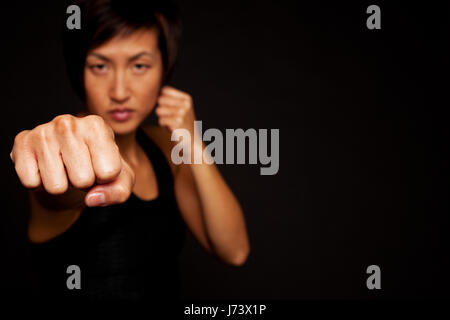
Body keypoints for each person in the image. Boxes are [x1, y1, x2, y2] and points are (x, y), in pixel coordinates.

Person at [10, 0, 250, 305]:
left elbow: (234, 251)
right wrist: (52, 149)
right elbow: (60, 189)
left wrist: (191, 140)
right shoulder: (65, 157)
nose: (120, 91)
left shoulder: (165, 147)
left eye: (139, 65)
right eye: (100, 66)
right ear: (79, 71)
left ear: (164, 69)